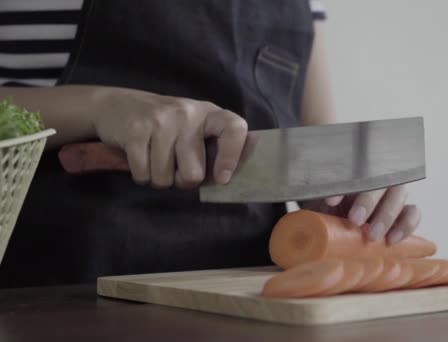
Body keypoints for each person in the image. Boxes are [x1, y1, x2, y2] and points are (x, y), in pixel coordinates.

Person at [0, 0, 421, 288]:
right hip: (60, 287)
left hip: (253, 289)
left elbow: (316, 154)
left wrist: (342, 201)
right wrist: (100, 105)